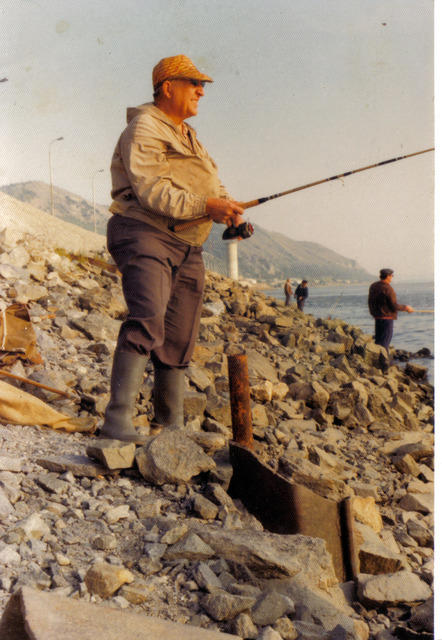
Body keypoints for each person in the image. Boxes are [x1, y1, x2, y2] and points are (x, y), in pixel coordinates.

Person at [99, 55, 244, 443]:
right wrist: (206, 207)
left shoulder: (189, 135)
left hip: (187, 243)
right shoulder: (144, 127)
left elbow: (211, 186)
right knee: (147, 319)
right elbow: (151, 189)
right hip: (144, 232)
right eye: (194, 84)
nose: (201, 91)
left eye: (203, 86)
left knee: (180, 334)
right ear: (168, 88)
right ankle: (117, 422)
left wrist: (227, 208)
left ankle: (170, 426)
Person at [368, 268, 414, 351]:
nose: (392, 277)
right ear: (388, 276)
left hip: (377, 318)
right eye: (392, 276)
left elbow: (370, 302)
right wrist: (406, 308)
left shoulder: (373, 286)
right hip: (387, 319)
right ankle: (384, 362)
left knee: (378, 341)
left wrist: (373, 313)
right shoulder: (388, 288)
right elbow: (394, 305)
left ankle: (377, 360)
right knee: (384, 343)